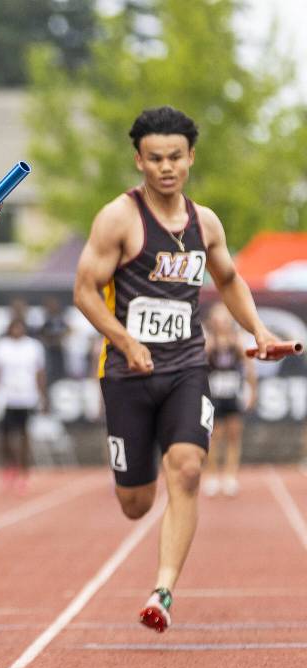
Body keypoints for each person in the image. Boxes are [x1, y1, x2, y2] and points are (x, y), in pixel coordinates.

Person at [74, 106, 281, 633]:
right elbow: (84, 291)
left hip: (188, 365)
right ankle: (134, 475)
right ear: (139, 160)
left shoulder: (204, 221)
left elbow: (230, 278)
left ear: (190, 158)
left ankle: (163, 589)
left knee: (188, 469)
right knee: (136, 504)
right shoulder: (118, 218)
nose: (166, 167)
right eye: (154, 158)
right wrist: (123, 339)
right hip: (127, 374)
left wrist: (258, 331)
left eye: (175, 157)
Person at [202, 304, 256, 497]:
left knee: (233, 435)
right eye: (218, 318)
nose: (221, 323)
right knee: (214, 437)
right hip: (214, 394)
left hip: (233, 393)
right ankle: (212, 475)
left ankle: (230, 475)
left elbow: (249, 368)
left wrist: (252, 392)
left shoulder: (237, 342)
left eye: (225, 319)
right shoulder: (209, 341)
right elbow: (200, 363)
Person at [0, 316, 46, 494]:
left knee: (24, 436)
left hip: (27, 397)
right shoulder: (1, 347)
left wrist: (42, 396)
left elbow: (39, 372)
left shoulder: (33, 347)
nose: (16, 330)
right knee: (5, 437)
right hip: (6, 397)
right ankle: (10, 465)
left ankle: (24, 471)